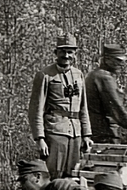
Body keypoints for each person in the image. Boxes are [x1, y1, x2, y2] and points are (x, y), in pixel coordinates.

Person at [29, 34, 92, 179]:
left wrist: (87, 134)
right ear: (56, 53)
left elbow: (83, 108)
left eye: (70, 52)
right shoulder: (45, 75)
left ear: (75, 54)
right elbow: (36, 110)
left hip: (76, 134)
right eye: (63, 51)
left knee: (73, 175)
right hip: (55, 132)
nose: (66, 55)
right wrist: (40, 138)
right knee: (52, 176)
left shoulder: (79, 75)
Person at [85, 40, 127, 145]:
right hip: (104, 135)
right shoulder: (104, 78)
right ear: (107, 60)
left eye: (122, 61)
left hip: (96, 132)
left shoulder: (94, 75)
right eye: (117, 61)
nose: (121, 64)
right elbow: (117, 110)